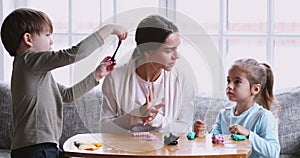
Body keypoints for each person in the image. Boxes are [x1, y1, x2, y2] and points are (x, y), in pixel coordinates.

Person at [0, 8, 127, 158]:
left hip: (43, 146)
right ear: (28, 39)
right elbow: (73, 54)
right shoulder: (28, 61)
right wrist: (109, 29)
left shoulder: (36, 71)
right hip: (35, 149)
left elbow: (67, 95)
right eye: (47, 35)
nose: (51, 41)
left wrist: (97, 75)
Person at [100, 15, 197, 133]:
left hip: (167, 150)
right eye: (168, 50)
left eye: (177, 48)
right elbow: (105, 128)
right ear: (147, 52)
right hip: (126, 150)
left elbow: (185, 129)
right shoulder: (115, 78)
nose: (177, 56)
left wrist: (156, 119)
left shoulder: (183, 79)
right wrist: (136, 116)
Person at [194, 58, 280, 158]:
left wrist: (248, 134)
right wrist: (201, 134)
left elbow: (274, 153)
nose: (229, 86)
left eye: (237, 81)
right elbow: (213, 143)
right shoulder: (224, 114)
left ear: (255, 89)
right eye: (228, 81)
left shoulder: (263, 116)